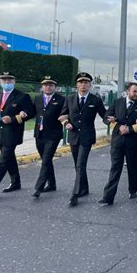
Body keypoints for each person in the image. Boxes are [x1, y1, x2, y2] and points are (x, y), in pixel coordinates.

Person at [59, 72, 106, 207]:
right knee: (77, 165)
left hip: (87, 137)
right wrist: (66, 123)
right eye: (81, 82)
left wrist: (113, 121)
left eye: (86, 82)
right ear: (76, 85)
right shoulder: (69, 98)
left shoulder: (95, 100)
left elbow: (104, 116)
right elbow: (63, 114)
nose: (83, 85)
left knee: (80, 164)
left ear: (90, 85)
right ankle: (84, 188)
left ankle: (75, 194)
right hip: (73, 136)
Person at [98, 83, 137, 205]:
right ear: (128, 91)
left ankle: (133, 189)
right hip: (117, 142)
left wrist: (130, 129)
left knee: (132, 168)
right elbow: (106, 118)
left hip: (133, 143)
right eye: (134, 91)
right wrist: (117, 126)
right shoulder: (117, 102)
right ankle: (108, 197)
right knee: (115, 168)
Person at [0, 72, 34, 193]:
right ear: (0, 82)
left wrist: (13, 118)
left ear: (14, 82)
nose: (6, 83)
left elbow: (31, 112)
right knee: (9, 158)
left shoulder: (22, 96)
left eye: (9, 80)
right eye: (4, 80)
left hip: (12, 133)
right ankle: (16, 182)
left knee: (3, 161)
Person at [32, 76, 65, 198]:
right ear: (42, 87)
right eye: (45, 85)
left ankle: (38, 187)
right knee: (47, 160)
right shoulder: (38, 98)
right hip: (39, 134)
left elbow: (66, 113)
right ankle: (52, 184)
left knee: (45, 160)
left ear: (55, 87)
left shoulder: (61, 99)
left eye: (51, 85)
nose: (48, 87)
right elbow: (31, 112)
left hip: (53, 135)